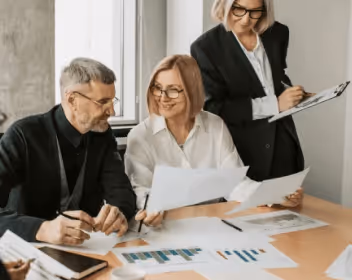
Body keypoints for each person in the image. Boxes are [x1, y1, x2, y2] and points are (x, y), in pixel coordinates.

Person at [0, 58, 136, 244]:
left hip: (88, 249)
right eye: (103, 102)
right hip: (28, 253)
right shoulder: (22, 136)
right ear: (72, 100)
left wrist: (119, 212)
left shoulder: (103, 137)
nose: (111, 111)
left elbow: (123, 194)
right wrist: (41, 229)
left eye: (113, 101)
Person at [191, 0, 308, 207]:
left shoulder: (278, 33)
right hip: (245, 152)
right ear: (225, 5)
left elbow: (276, 77)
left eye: (255, 12)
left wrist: (293, 94)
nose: (246, 19)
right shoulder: (206, 47)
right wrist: (274, 104)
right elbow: (215, 108)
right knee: (251, 221)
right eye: (239, 9)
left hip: (283, 144)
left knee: (290, 225)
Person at [125, 55, 259, 227]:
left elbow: (234, 182)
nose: (163, 97)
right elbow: (139, 190)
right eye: (157, 88)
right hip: (164, 227)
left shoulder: (215, 126)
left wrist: (271, 195)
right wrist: (152, 207)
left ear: (192, 91)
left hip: (210, 224)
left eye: (173, 90)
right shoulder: (140, 135)